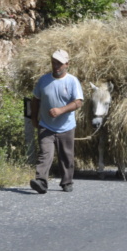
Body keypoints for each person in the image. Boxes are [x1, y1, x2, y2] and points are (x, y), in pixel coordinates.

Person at [29, 49, 83, 194]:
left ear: (67, 64)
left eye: (59, 63)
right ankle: (41, 181)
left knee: (66, 156)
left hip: (66, 126)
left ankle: (67, 182)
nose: (56, 66)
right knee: (45, 153)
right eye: (54, 63)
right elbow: (36, 100)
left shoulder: (72, 81)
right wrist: (34, 118)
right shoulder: (44, 80)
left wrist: (61, 110)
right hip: (46, 125)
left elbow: (78, 103)